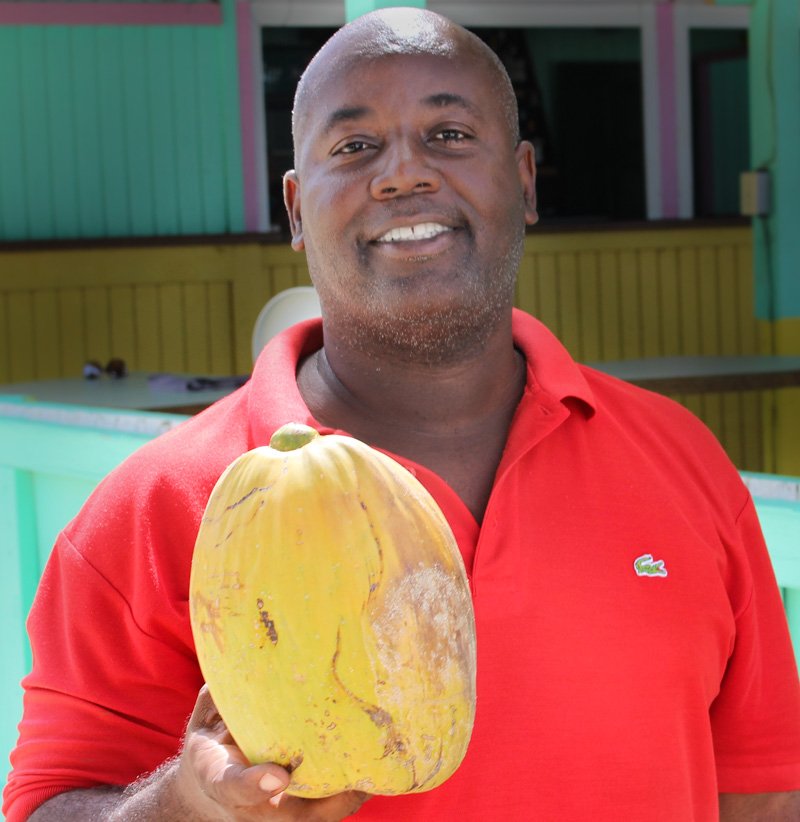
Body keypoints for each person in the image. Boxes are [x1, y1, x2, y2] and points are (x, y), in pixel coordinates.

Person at [4, 8, 800, 821]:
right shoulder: (157, 505)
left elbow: (765, 793)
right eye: (354, 148)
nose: (403, 175)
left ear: (523, 182)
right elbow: (51, 803)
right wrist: (187, 802)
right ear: (295, 209)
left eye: (450, 134)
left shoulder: (681, 462)